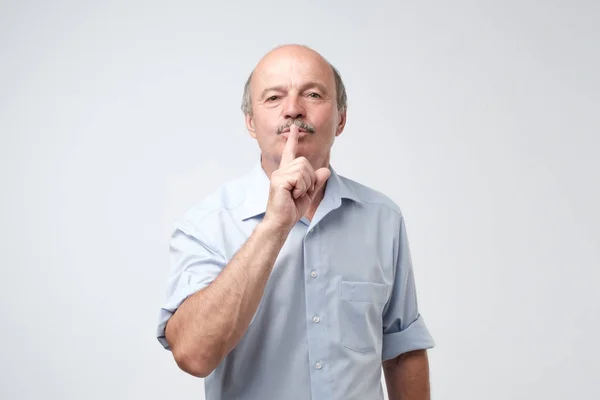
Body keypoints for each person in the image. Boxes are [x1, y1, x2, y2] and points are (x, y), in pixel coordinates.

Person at [156, 44, 435, 400]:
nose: (292, 110)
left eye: (313, 94)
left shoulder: (383, 218)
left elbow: (402, 350)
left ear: (341, 118)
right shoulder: (207, 224)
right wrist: (274, 225)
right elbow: (193, 355)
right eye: (273, 98)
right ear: (251, 122)